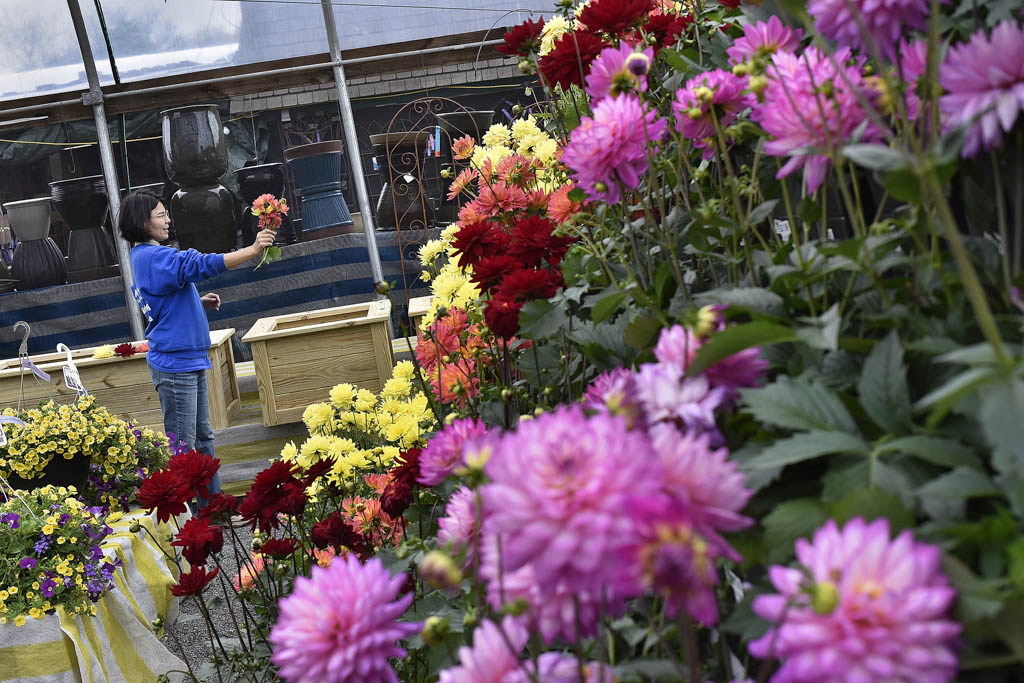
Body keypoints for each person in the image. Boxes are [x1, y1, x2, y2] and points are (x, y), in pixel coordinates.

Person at [118, 189, 275, 506]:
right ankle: (184, 516)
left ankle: (211, 509)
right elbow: (201, 265)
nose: (167, 220)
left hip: (187, 360)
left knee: (202, 440)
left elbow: (161, 302)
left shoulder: (144, 257)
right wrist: (253, 249)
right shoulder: (155, 257)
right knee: (184, 447)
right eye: (161, 215)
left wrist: (194, 301)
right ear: (141, 221)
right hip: (175, 366)